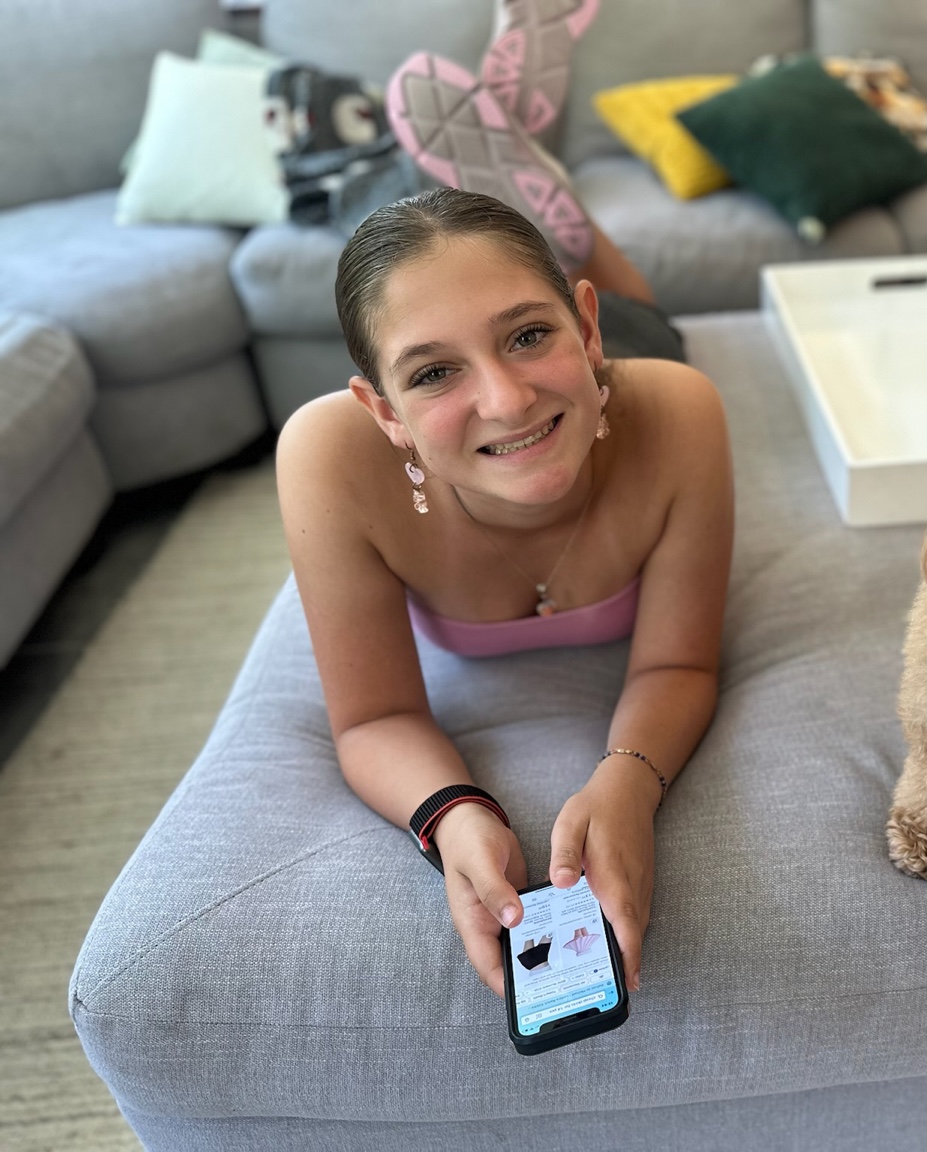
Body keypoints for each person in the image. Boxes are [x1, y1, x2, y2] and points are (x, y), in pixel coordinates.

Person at [276, 180, 732, 999]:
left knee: (653, 320)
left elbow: (681, 666)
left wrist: (628, 779)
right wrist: (450, 813)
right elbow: (374, 717)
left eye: (527, 334)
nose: (505, 398)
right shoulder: (326, 453)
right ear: (382, 411)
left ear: (583, 326)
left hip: (626, 353)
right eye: (434, 372)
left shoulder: (679, 411)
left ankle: (556, 204)